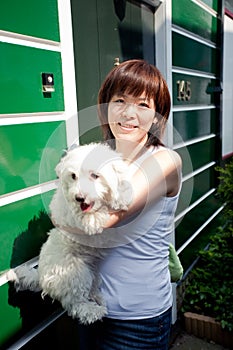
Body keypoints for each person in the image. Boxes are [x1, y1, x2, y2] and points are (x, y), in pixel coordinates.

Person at [78, 59, 182, 350]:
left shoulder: (164, 161)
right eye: (120, 100)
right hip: (91, 309)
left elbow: (103, 219)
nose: (129, 113)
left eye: (143, 104)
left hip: (137, 320)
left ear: (158, 116)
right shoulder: (101, 158)